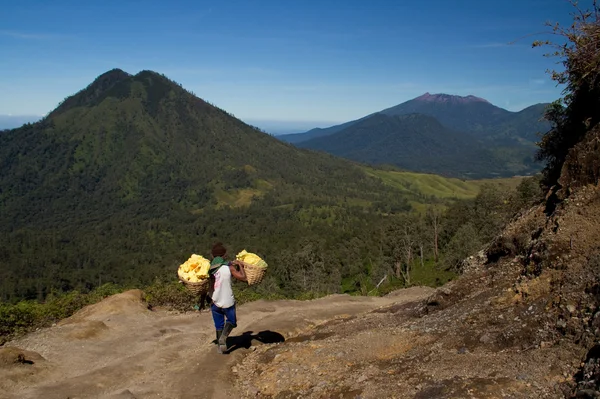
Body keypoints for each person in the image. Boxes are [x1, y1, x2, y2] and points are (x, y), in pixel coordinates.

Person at [208, 242, 247, 353]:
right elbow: (243, 277)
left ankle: (220, 348)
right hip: (227, 301)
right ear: (224, 255)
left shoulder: (210, 269)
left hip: (214, 301)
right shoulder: (229, 268)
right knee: (232, 321)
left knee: (218, 325)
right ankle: (223, 338)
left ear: (213, 256)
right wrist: (240, 265)